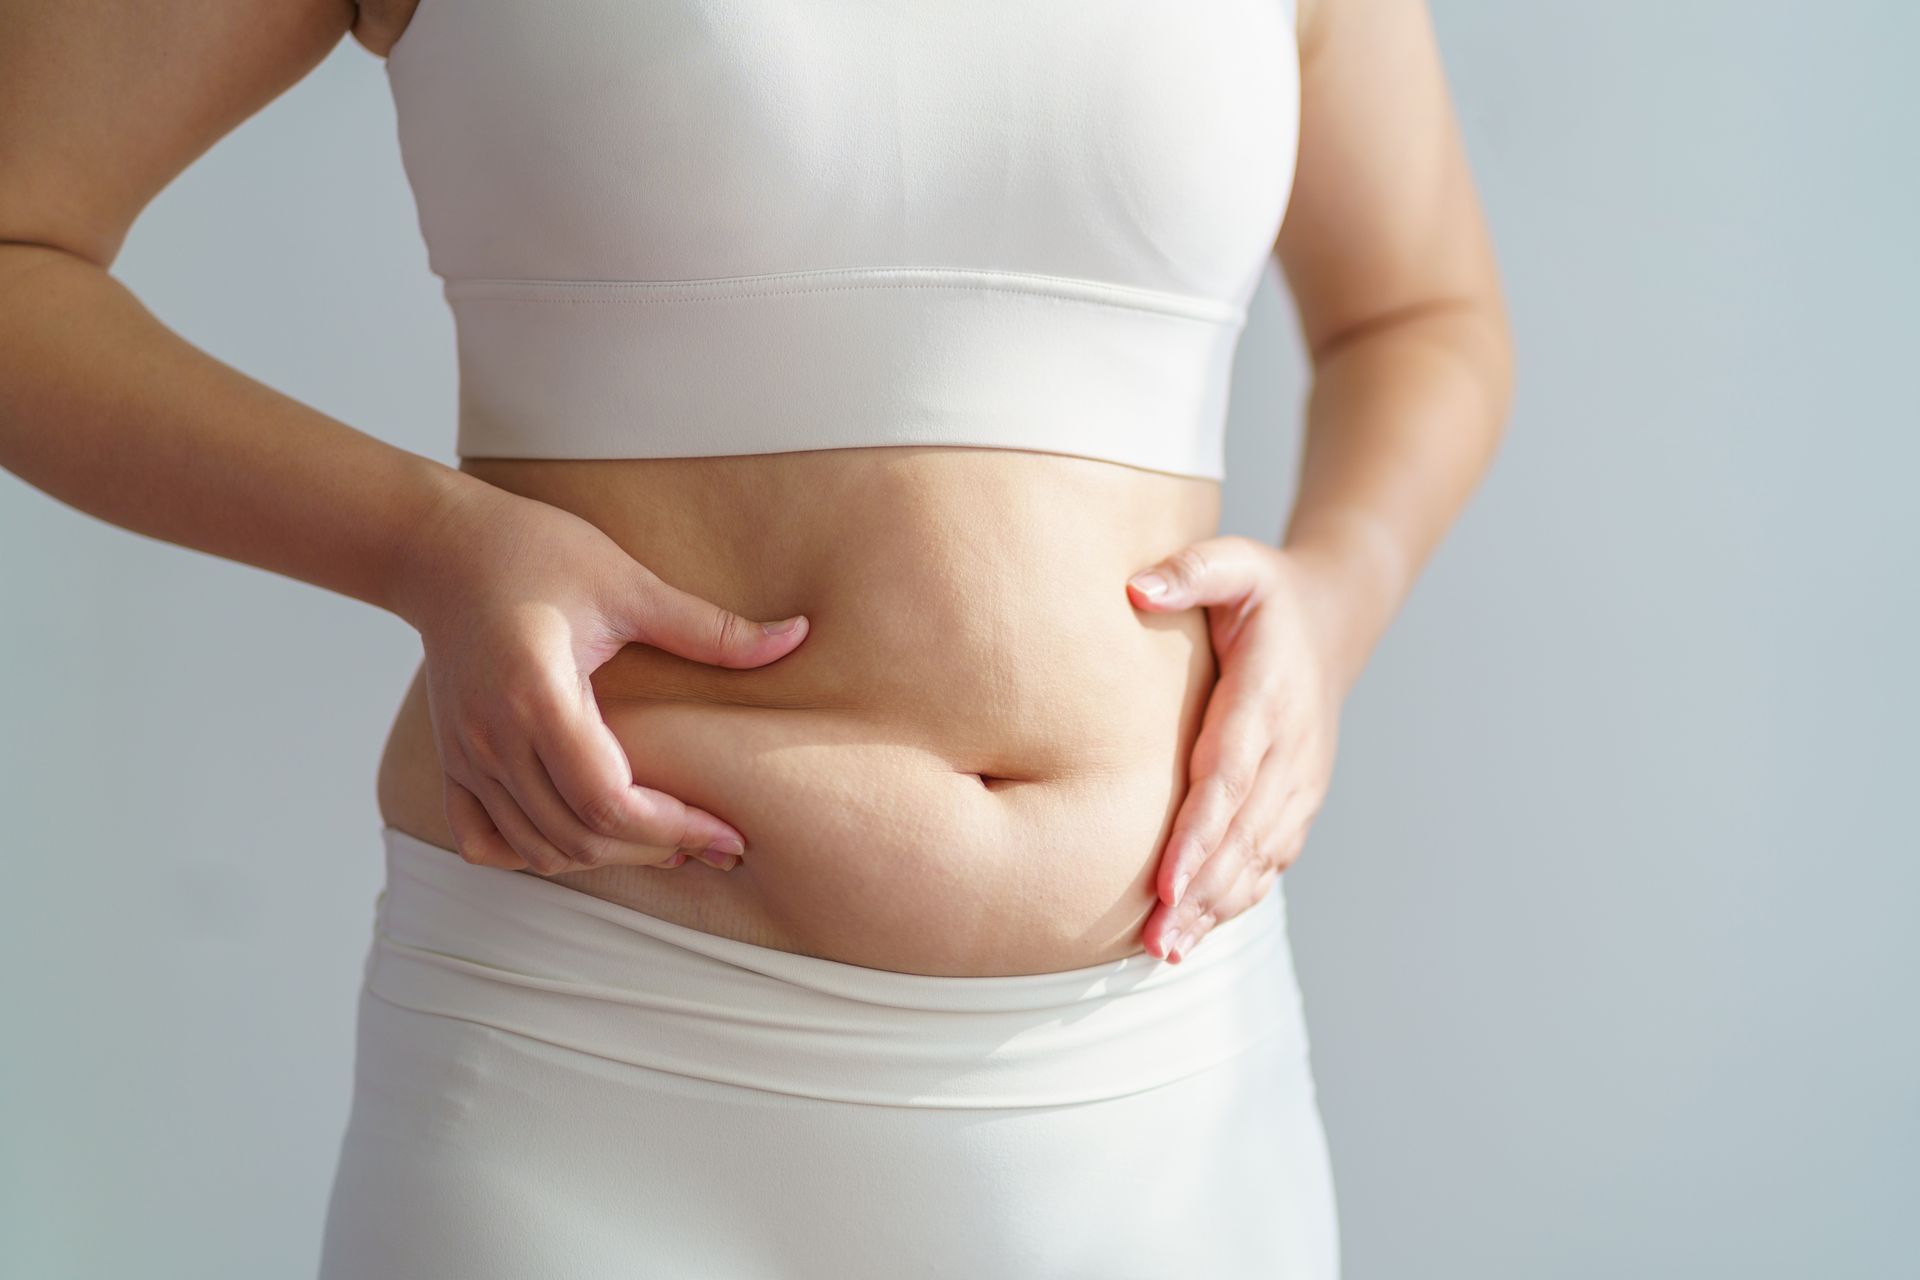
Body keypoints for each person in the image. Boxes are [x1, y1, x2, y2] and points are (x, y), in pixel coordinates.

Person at [0, 0, 1512, 1274]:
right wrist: (426, 545)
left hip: (1170, 1089)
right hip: (597, 1068)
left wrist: (1334, 596)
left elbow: (1423, 312)